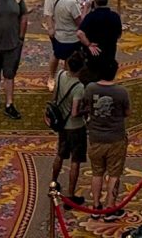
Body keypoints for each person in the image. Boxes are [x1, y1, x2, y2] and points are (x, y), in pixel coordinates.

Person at [77, 58, 131, 211]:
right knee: (114, 174)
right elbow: (127, 112)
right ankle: (110, 207)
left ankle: (95, 206)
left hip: (95, 138)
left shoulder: (91, 88)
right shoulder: (121, 92)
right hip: (116, 139)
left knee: (96, 173)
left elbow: (85, 106)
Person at [48, 53, 88, 198]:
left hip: (61, 124)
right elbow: (75, 112)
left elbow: (54, 98)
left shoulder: (60, 75)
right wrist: (87, 110)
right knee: (75, 160)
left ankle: (53, 182)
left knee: (60, 153)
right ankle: (71, 194)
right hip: (75, 127)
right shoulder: (79, 87)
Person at [45, 0, 86, 78]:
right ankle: (51, 77)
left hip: (69, 31)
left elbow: (77, 3)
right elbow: (48, 12)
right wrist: (50, 28)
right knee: (57, 55)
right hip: (60, 29)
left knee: (69, 58)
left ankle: (65, 77)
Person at [79, 0, 122, 73]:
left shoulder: (91, 17)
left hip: (94, 52)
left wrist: (88, 44)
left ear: (94, 2)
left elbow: (80, 32)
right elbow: (119, 35)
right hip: (110, 51)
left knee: (92, 73)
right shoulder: (115, 16)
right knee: (106, 73)